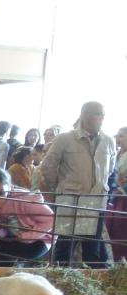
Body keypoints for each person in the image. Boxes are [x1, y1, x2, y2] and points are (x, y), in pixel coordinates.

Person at [42, 102, 116, 268]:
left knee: (93, 248)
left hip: (96, 201)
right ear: (85, 115)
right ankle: (60, 278)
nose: (102, 118)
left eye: (103, 114)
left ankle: (92, 284)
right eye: (98, 114)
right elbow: (48, 166)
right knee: (65, 245)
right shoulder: (65, 139)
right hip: (70, 200)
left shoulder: (108, 141)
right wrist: (60, 188)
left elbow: (110, 170)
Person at [0, 168, 54, 266]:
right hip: (12, 236)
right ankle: (9, 273)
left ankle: (11, 273)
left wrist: (28, 236)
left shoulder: (25, 200)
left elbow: (51, 219)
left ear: (9, 187)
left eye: (1, 193)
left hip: (40, 239)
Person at [106, 127, 127, 261]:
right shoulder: (117, 153)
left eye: (121, 136)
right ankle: (115, 261)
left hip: (124, 197)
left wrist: (122, 187)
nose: (118, 139)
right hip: (115, 196)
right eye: (117, 136)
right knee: (113, 231)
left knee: (122, 231)